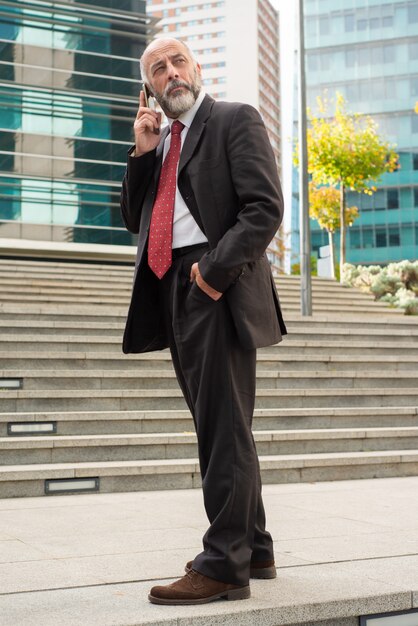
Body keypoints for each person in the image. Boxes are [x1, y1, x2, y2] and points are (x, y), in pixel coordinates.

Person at [120, 37, 286, 606]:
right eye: (157, 69)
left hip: (215, 284)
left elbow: (264, 207)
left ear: (197, 67)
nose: (170, 74)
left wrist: (212, 275)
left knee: (223, 426)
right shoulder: (159, 140)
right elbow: (130, 219)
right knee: (220, 422)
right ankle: (254, 547)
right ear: (150, 86)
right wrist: (141, 154)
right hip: (171, 287)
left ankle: (224, 564)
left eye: (177, 62)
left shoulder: (233, 119)